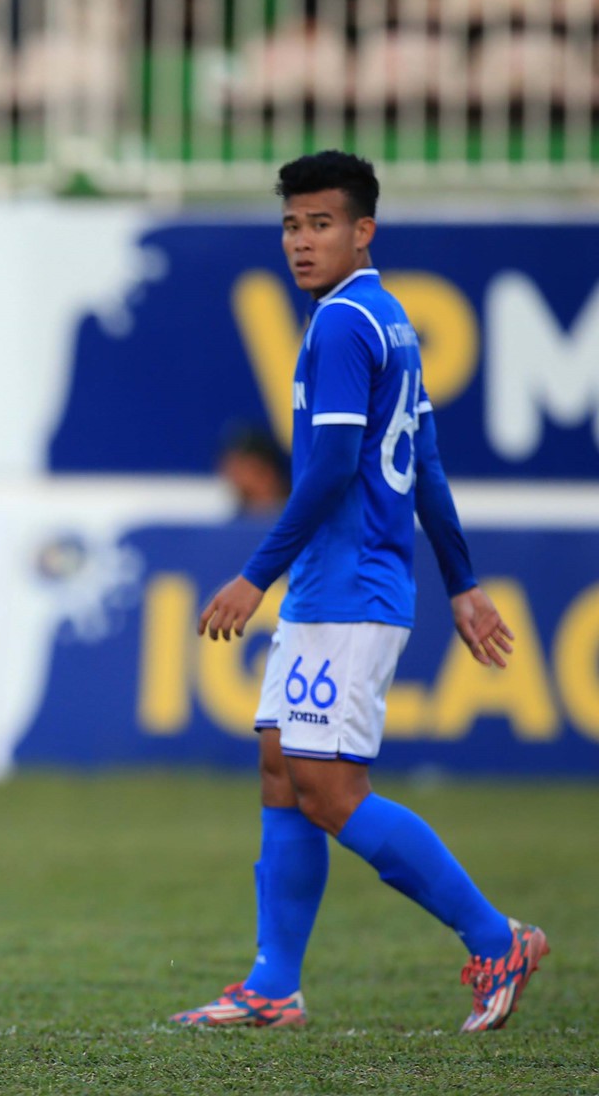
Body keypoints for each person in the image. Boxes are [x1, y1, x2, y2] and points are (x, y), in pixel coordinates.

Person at [171, 150, 547, 1033]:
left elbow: (337, 464)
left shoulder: (344, 325)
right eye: (292, 226)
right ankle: (273, 983)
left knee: (329, 788)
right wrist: (463, 582)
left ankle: (496, 938)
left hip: (349, 585)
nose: (301, 242)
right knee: (280, 767)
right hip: (336, 585)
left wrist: (254, 575)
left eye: (321, 224)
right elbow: (431, 467)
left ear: (363, 230)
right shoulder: (389, 320)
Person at [217, 422, 291, 518]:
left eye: (241, 466)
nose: (232, 473)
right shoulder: (234, 518)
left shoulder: (298, 513)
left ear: (266, 471)